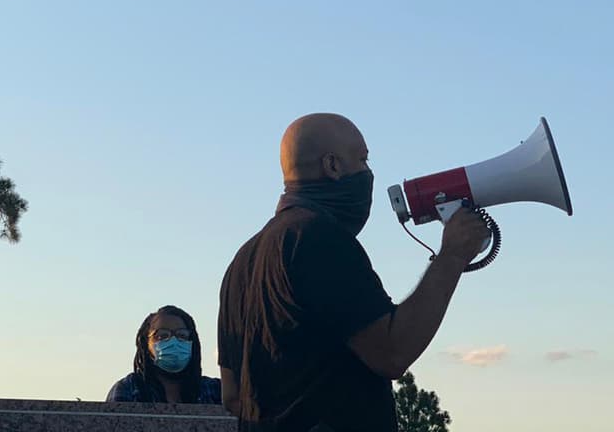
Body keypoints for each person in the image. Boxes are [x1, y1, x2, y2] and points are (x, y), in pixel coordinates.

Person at [217, 113, 489, 431]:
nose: (368, 172)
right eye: (362, 160)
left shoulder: (241, 263)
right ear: (332, 166)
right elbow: (393, 351)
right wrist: (452, 256)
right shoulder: (316, 237)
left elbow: (233, 395)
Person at [106, 305, 223, 405]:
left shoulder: (215, 390)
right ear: (145, 345)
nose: (173, 342)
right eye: (162, 336)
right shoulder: (128, 389)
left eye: (182, 335)